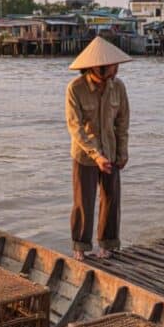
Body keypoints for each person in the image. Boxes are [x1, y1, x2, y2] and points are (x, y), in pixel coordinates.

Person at [65, 36, 131, 261]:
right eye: (113, 65)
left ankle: (108, 245)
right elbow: (76, 128)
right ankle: (80, 248)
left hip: (111, 151)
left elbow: (122, 122)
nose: (116, 68)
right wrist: (96, 155)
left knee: (111, 200)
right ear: (98, 67)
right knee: (83, 202)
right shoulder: (76, 88)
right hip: (85, 155)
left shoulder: (118, 87)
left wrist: (122, 152)